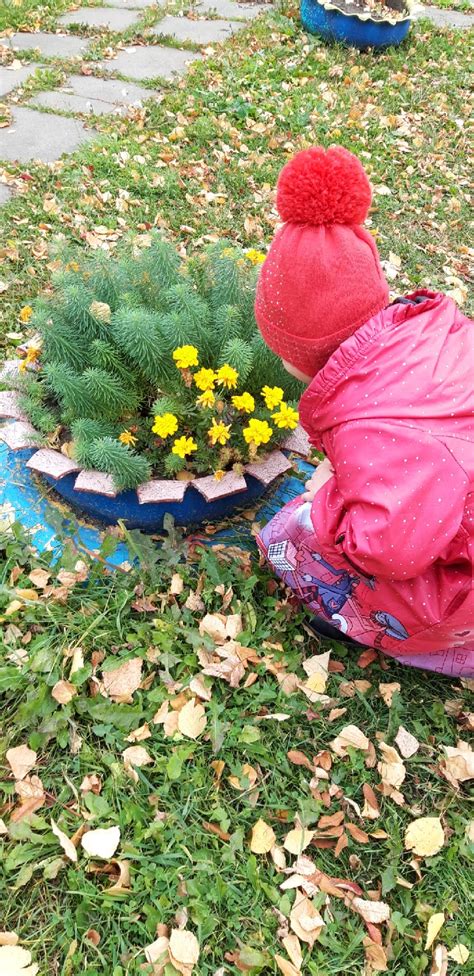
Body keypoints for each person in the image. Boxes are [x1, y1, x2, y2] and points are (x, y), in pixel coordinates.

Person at [255, 145, 473, 677]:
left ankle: (404, 635)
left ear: (306, 355)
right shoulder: (419, 338)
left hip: (457, 575)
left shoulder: (371, 428)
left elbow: (389, 550)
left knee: (303, 544)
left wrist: (326, 501)